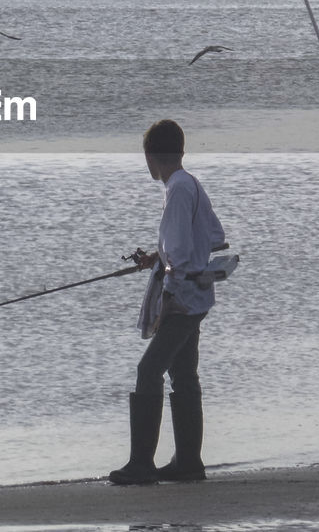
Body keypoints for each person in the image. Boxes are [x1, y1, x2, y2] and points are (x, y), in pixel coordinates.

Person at [108, 119, 226, 485]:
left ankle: (142, 463)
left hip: (183, 298)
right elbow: (215, 237)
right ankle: (188, 461)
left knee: (149, 371)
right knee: (183, 374)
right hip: (197, 294)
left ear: (151, 156)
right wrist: (158, 257)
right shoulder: (189, 183)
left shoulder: (177, 189)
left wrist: (170, 294)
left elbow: (179, 251)